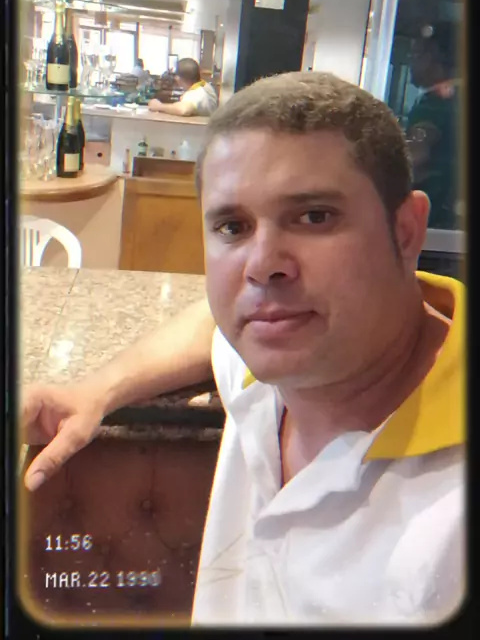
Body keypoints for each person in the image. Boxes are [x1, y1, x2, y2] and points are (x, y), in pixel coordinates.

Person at [21, 72, 465, 626]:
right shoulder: (269, 361)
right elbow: (212, 321)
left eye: (314, 216)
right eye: (233, 227)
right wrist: (96, 389)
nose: (262, 266)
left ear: (405, 231)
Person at [406, 23, 461, 229]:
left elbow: (415, 158)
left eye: (415, 55)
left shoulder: (433, 106)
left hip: (432, 216)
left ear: (433, 56)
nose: (411, 62)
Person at [147, 57, 218, 117]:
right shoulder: (207, 87)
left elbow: (184, 110)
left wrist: (159, 106)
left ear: (177, 78)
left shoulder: (195, 94)